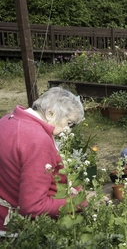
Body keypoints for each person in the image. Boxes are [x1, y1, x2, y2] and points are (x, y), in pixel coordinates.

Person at [0, 87, 85, 236]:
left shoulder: (7, 120)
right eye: (69, 123)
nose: (69, 130)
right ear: (50, 113)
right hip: (19, 230)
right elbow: (33, 208)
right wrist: (80, 202)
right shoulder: (37, 139)